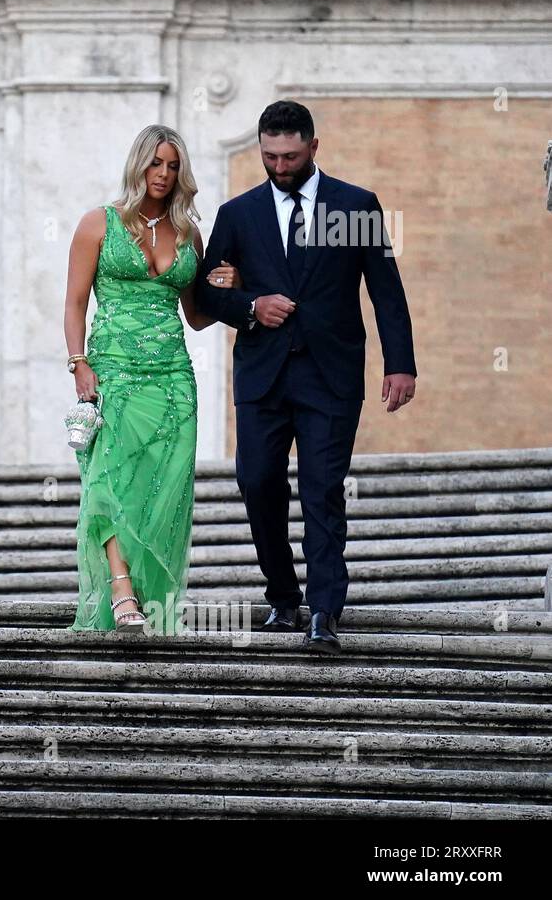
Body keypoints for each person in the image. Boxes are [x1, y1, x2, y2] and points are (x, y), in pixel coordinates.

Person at [193, 100, 418, 653]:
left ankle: (324, 612)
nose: (279, 165)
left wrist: (401, 363)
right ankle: (283, 597)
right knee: (257, 481)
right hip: (262, 377)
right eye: (270, 155)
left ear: (313, 147)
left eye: (290, 155)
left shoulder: (355, 205)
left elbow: (385, 291)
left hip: (331, 377)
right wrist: (251, 306)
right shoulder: (237, 214)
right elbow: (206, 293)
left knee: (322, 490)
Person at [64, 124, 241, 635]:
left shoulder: (188, 233)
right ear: (138, 164)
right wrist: (79, 363)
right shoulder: (98, 224)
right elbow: (75, 302)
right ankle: (121, 592)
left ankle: (150, 598)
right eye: (155, 163)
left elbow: (198, 316)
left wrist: (228, 286)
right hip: (113, 369)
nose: (163, 174)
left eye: (172, 166)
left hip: (172, 378)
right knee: (108, 480)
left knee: (165, 490)